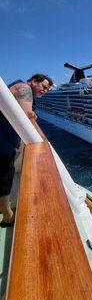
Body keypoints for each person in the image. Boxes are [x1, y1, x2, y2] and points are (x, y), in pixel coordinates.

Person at [0, 74, 53, 226]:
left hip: (6, 142)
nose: (45, 91)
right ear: (34, 81)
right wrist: (33, 114)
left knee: (6, 175)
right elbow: (27, 114)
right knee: (4, 179)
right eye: (43, 86)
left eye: (47, 89)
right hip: (2, 144)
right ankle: (7, 216)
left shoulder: (20, 86)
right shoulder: (24, 88)